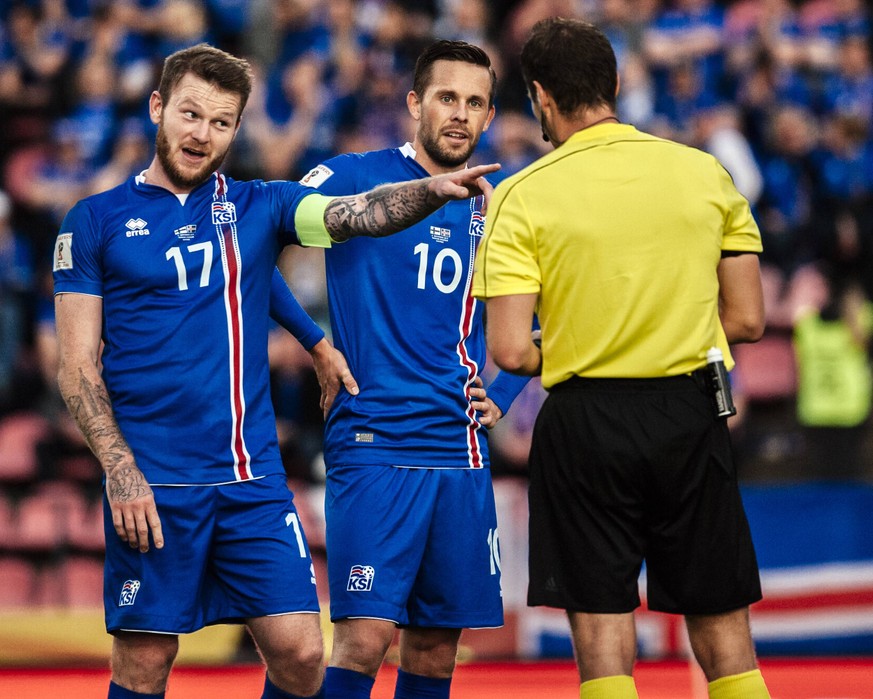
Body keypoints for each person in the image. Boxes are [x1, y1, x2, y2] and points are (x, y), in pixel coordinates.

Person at [52, 43, 498, 699]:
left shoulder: (259, 204)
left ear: (236, 129)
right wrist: (120, 471)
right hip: (154, 479)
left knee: (301, 652)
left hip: (250, 481)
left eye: (222, 121)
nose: (203, 134)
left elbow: (354, 214)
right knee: (144, 663)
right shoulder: (93, 221)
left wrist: (425, 193)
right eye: (191, 114)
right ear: (157, 108)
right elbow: (76, 367)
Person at [473, 18, 771, 699]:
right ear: (614, 84)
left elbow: (511, 349)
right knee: (723, 630)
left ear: (540, 98)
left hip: (584, 422)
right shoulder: (702, 171)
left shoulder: (521, 193)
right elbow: (748, 318)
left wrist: (587, 334)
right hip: (689, 412)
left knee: (604, 634)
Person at [297, 40, 530, 699]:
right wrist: (313, 340)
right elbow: (257, 235)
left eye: (474, 102)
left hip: (460, 447)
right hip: (372, 442)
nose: (459, 113)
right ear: (414, 104)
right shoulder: (349, 176)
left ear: (488, 117)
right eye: (446, 98)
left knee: (434, 648)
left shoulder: (502, 204)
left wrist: (505, 389)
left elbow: (554, 307)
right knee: (364, 639)